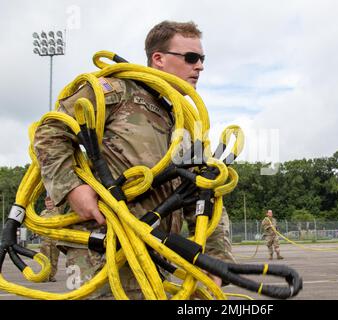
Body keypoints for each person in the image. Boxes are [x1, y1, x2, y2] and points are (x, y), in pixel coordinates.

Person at [34, 20, 234, 299]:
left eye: (202, 59)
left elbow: (200, 189)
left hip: (157, 255)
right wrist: (72, 188)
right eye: (191, 58)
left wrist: (217, 255)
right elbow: (50, 132)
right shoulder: (118, 91)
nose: (199, 66)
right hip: (103, 252)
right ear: (159, 59)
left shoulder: (187, 122)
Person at [39, 196, 61, 282]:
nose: (49, 204)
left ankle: (52, 276)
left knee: (54, 259)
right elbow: (39, 224)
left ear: (53, 203)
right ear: (45, 203)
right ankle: (44, 276)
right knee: (45, 259)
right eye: (47, 203)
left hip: (55, 239)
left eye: (50, 202)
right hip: (45, 239)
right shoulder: (43, 213)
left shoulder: (58, 212)